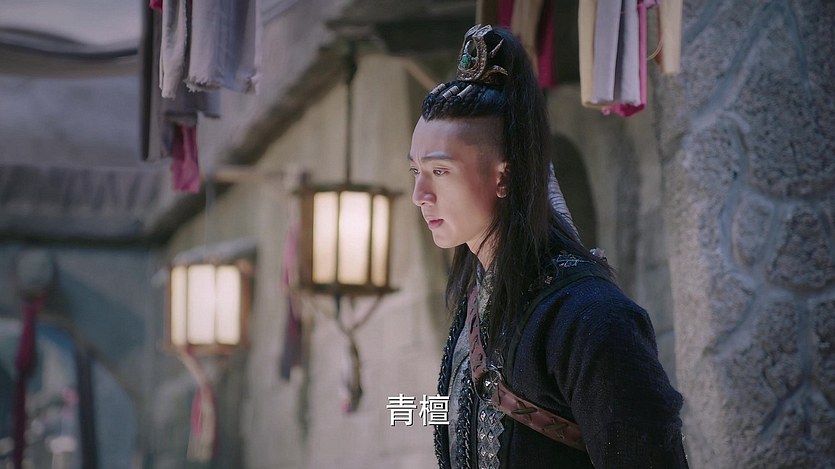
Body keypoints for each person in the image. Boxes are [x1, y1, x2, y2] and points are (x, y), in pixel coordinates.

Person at [408, 25, 689, 468]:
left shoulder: (593, 320)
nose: (420, 195)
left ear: (504, 176)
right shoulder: (475, 305)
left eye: (440, 172)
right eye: (416, 172)